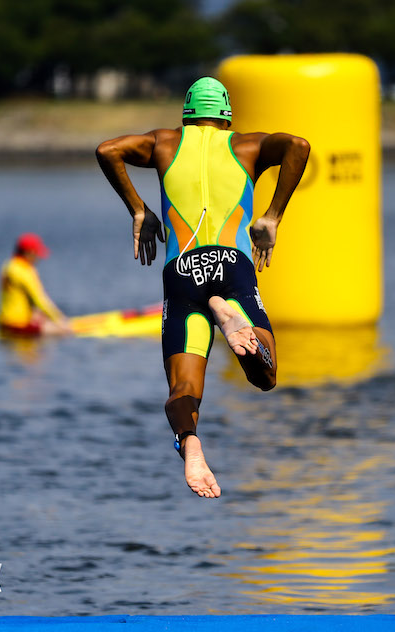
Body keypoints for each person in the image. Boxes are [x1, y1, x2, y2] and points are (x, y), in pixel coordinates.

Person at [96, 77, 310, 498]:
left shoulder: (163, 143)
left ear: (186, 113)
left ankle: (191, 443)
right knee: (265, 375)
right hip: (233, 266)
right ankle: (225, 311)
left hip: (182, 271)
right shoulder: (246, 145)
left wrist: (139, 210)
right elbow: (298, 146)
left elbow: (107, 150)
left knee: (183, 390)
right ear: (227, 114)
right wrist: (272, 215)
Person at [0, 233, 72, 337]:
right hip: (19, 326)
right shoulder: (25, 271)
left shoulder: (8, 266)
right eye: (36, 254)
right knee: (64, 332)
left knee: (40, 316)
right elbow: (40, 300)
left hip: (3, 323)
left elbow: (18, 298)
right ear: (29, 253)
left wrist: (36, 314)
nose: (38, 258)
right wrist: (60, 319)